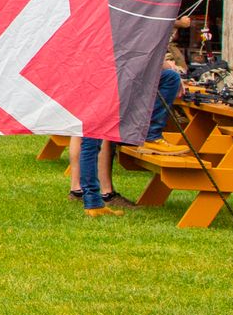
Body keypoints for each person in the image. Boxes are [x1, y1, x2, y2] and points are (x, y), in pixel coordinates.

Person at [75, 44, 187, 214]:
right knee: (91, 140)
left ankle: (150, 134)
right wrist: (164, 64)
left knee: (170, 78)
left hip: (114, 75)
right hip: (100, 77)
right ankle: (93, 200)